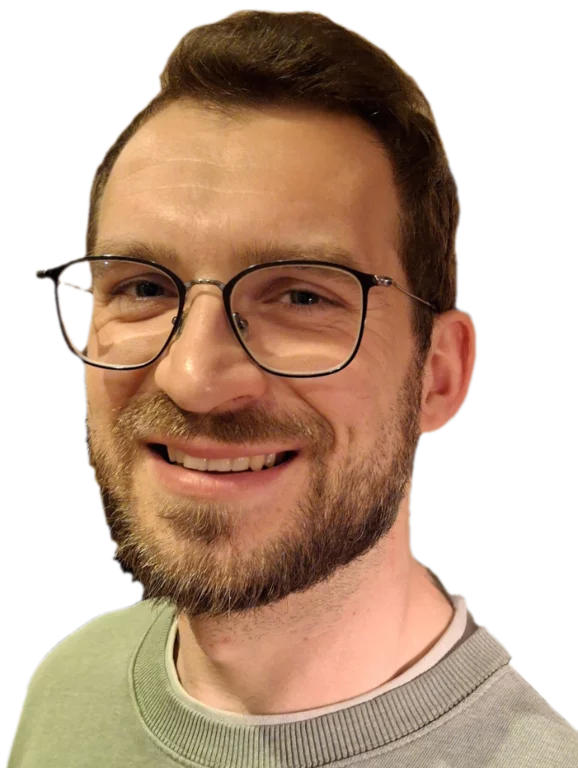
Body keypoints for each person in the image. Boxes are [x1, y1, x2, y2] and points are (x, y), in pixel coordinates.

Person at [11, 9, 576, 767]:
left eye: (303, 297)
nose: (195, 378)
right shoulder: (68, 687)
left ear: (439, 375)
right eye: (143, 288)